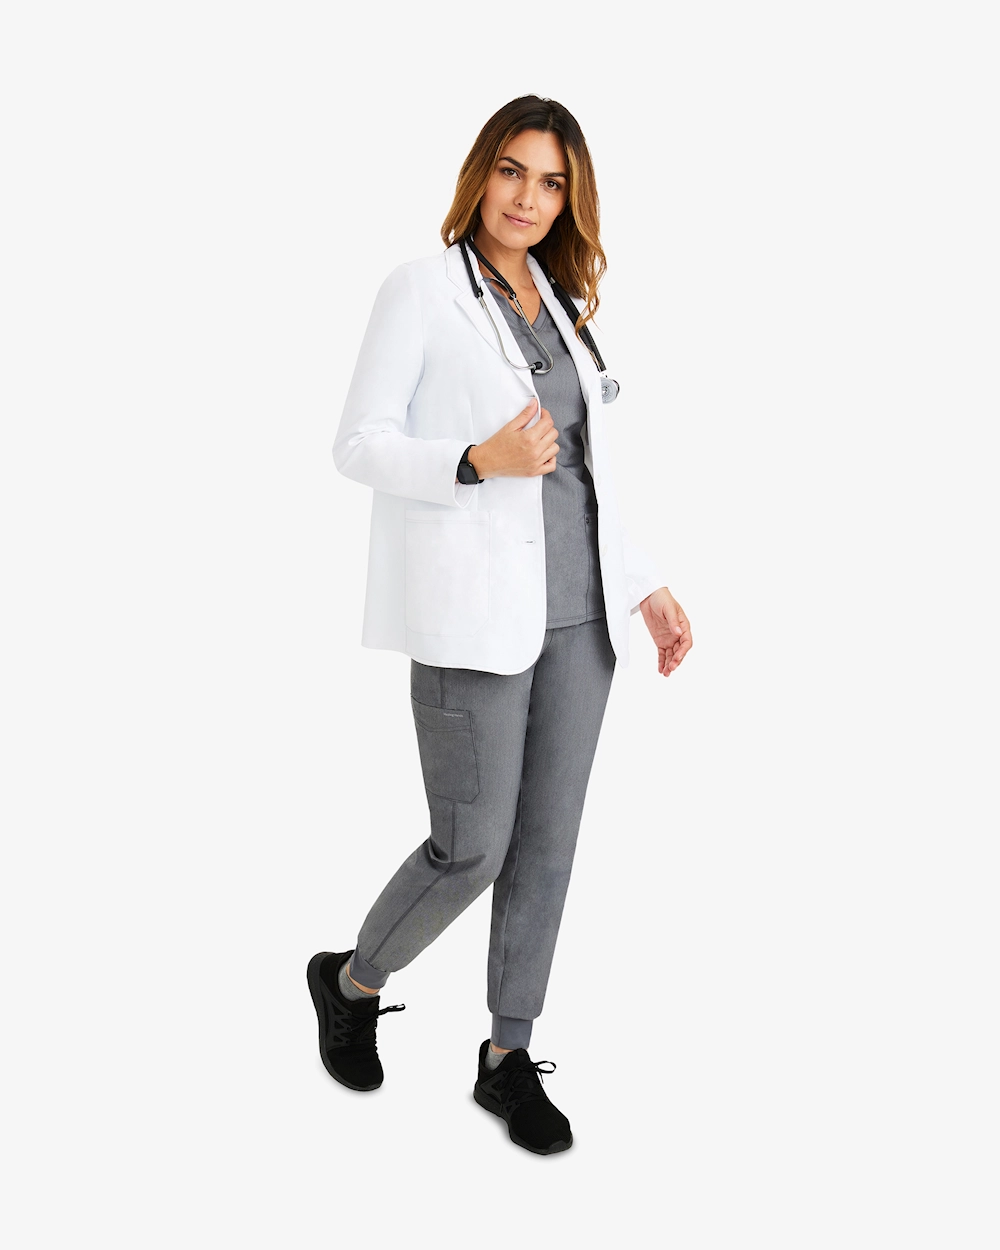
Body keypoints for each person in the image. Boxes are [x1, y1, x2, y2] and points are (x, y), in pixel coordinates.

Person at [308, 95, 692, 1156]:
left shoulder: (561, 303)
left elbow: (593, 468)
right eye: (513, 171)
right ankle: (352, 980)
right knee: (471, 847)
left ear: (570, 199)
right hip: (473, 615)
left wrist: (646, 583)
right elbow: (356, 442)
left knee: (546, 848)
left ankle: (506, 1057)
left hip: (582, 619)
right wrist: (476, 460)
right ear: (482, 173)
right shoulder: (421, 291)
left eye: (551, 181)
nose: (527, 197)